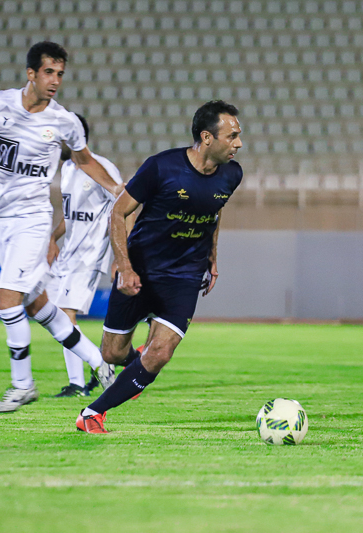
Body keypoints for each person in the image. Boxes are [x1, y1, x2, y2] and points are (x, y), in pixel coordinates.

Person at [0, 41, 120, 413]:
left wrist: (117, 189)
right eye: (49, 72)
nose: (55, 81)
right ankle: (100, 363)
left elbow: (84, 160)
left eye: (60, 74)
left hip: (32, 220)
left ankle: (23, 385)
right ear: (31, 74)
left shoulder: (64, 121)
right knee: (38, 306)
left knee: (7, 300)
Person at [75, 100, 243, 433]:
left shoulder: (232, 174)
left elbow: (215, 208)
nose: (238, 143)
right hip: (141, 270)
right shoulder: (161, 167)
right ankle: (137, 362)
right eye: (232, 136)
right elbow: (118, 212)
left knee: (161, 353)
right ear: (207, 137)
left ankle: (93, 413)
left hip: (185, 276)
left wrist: (212, 254)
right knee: (111, 354)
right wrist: (124, 266)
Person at [45, 114, 128, 397]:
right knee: (55, 315)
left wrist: (121, 256)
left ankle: (82, 380)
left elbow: (124, 208)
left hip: (89, 255)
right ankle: (99, 368)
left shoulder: (102, 168)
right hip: (69, 254)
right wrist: (53, 238)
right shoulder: (68, 169)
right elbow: (71, 216)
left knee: (64, 315)